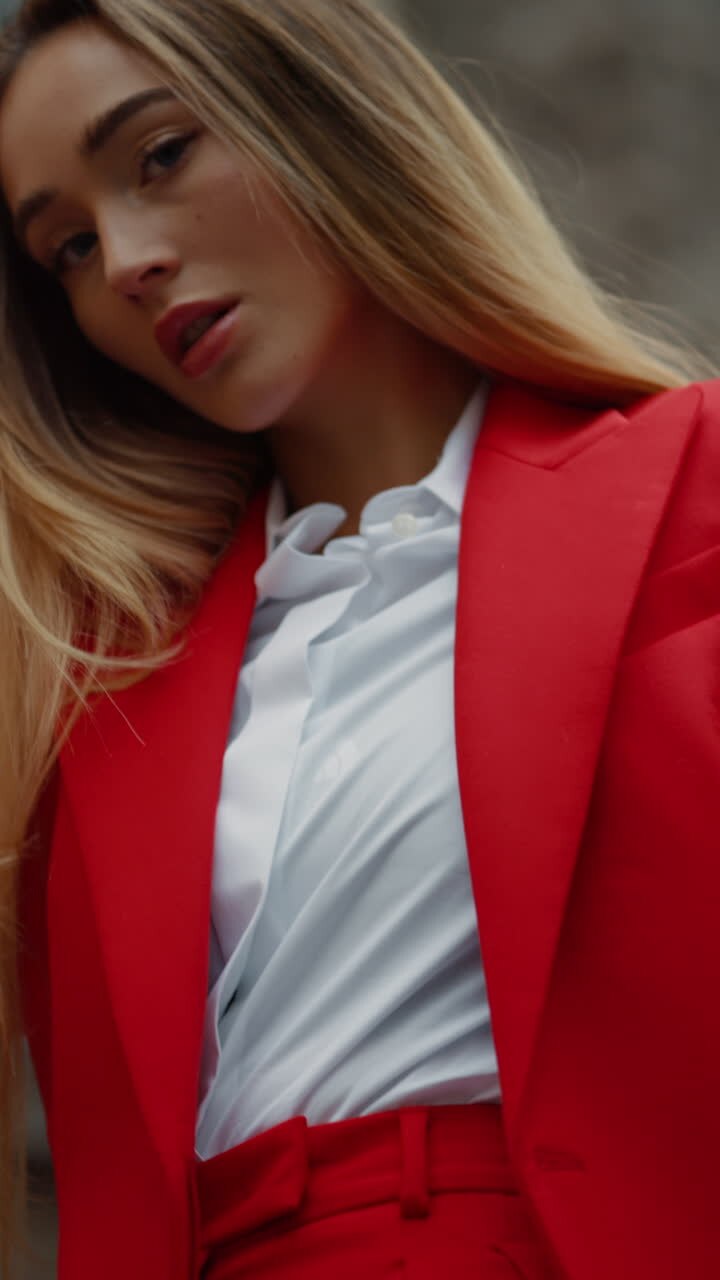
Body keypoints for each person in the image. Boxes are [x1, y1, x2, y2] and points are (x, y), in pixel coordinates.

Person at [0, 0, 718, 1276]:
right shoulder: (98, 693)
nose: (122, 261)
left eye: (159, 154)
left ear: (319, 114)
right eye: (63, 248)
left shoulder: (692, 485)